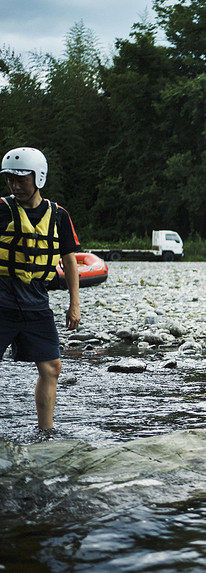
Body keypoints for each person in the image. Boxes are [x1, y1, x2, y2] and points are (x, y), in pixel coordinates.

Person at [1, 147, 81, 430]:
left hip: (36, 302)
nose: (15, 185)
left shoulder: (59, 215)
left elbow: (70, 261)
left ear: (39, 177)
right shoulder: (2, 209)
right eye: (10, 179)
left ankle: (45, 433)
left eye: (22, 179)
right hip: (3, 302)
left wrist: (74, 304)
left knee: (52, 368)